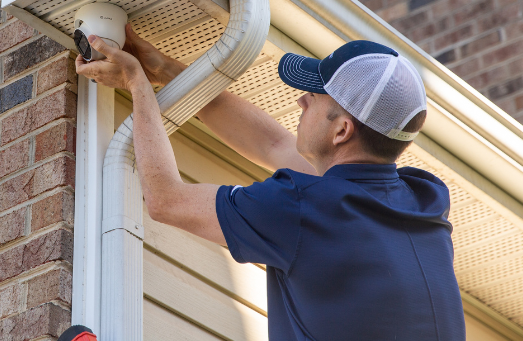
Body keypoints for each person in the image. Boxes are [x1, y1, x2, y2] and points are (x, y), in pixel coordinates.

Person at [74, 24, 465, 341]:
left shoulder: (301, 207)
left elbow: (167, 200)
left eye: (316, 95)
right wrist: (165, 72)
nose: (302, 101)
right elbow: (272, 143)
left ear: (342, 130)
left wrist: (136, 85)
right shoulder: (425, 199)